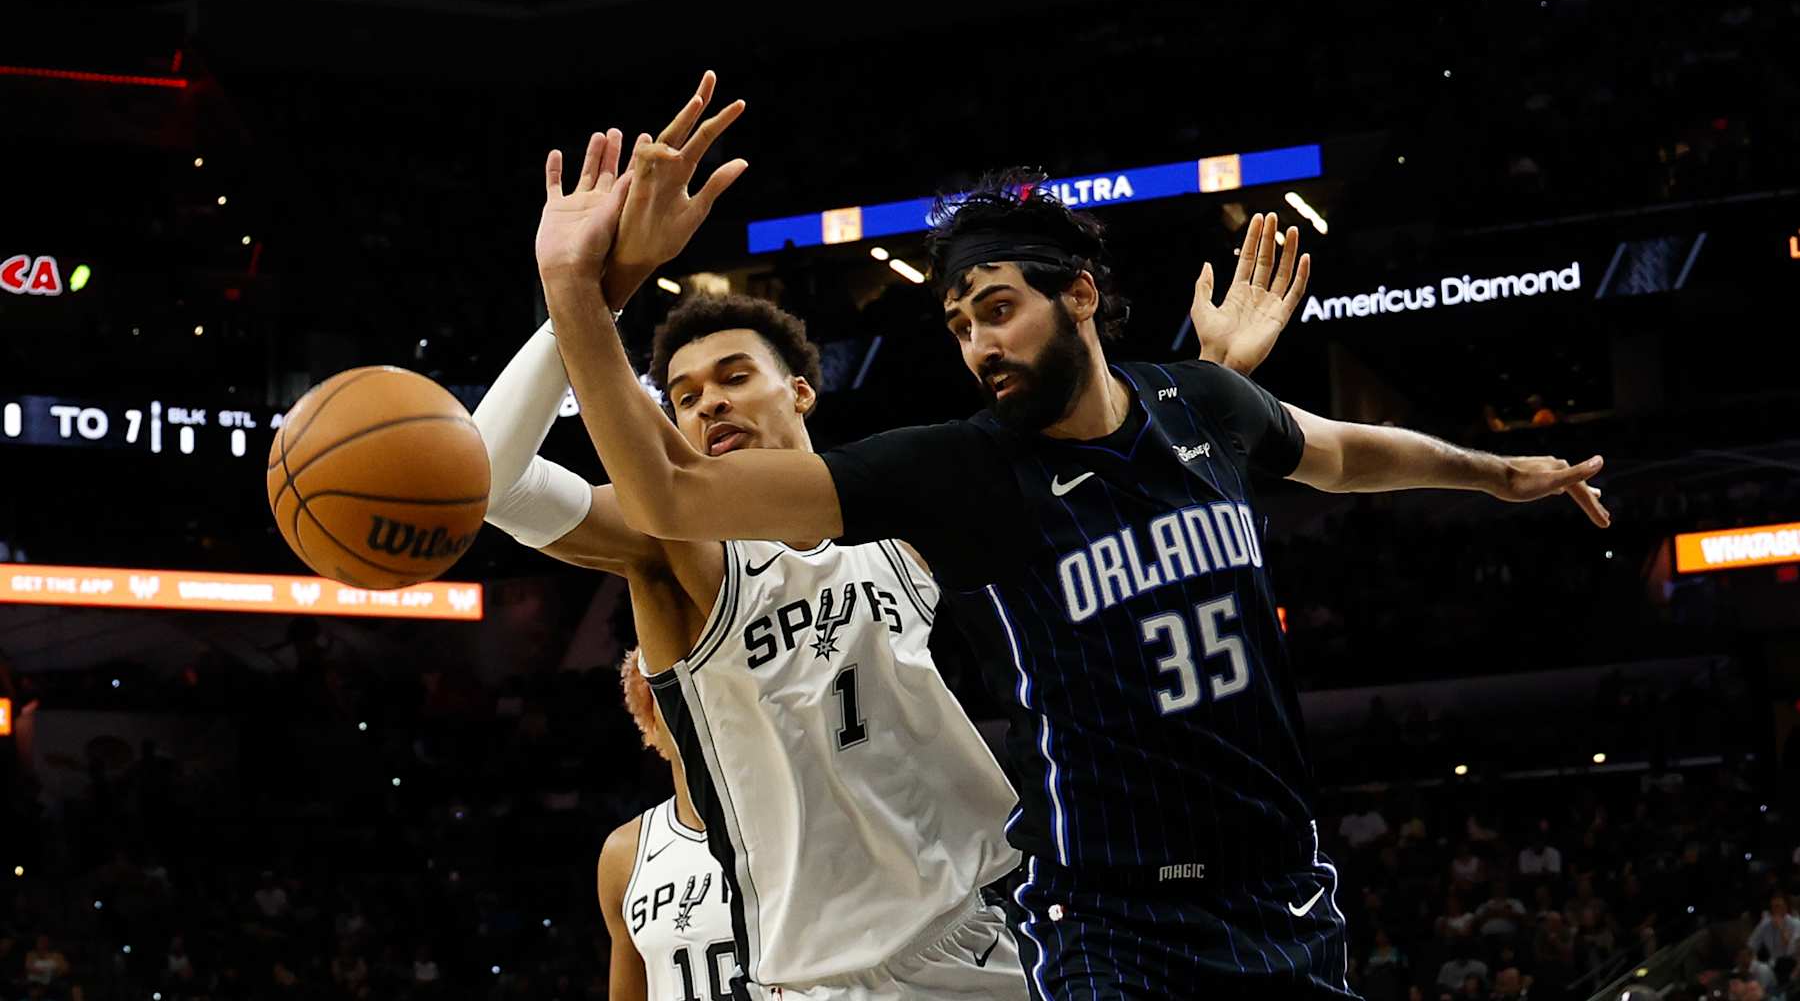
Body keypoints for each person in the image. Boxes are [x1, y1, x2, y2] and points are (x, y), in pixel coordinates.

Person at [536, 75, 1610, 995]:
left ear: (1082, 294)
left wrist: (1497, 472)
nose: (978, 344)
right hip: (1107, 923)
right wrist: (577, 289)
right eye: (958, 325)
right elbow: (673, 494)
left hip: (1281, 889)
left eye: (998, 308)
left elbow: (1349, 452)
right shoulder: (964, 471)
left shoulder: (1205, 407)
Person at [482, 74, 1287, 1001]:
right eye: (688, 396)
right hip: (822, 975)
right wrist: (593, 292)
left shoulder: (904, 517)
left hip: (993, 928)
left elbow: (1089, 457)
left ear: (800, 393)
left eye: (735, 376)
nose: (709, 404)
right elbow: (493, 479)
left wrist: (1206, 381)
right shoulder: (679, 552)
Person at [596, 653, 733, 1001]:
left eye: (704, 685)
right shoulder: (623, 854)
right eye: (672, 692)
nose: (691, 707)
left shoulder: (797, 827)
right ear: (650, 721)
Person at [1749, 894, 1800, 964]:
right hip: (1772, 963)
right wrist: (1753, 962)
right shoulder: (1765, 924)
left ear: (1786, 907)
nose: (1776, 910)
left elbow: (1792, 950)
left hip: (1792, 962)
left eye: (1778, 906)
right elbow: (1751, 945)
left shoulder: (1796, 923)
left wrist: (1781, 928)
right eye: (1773, 907)